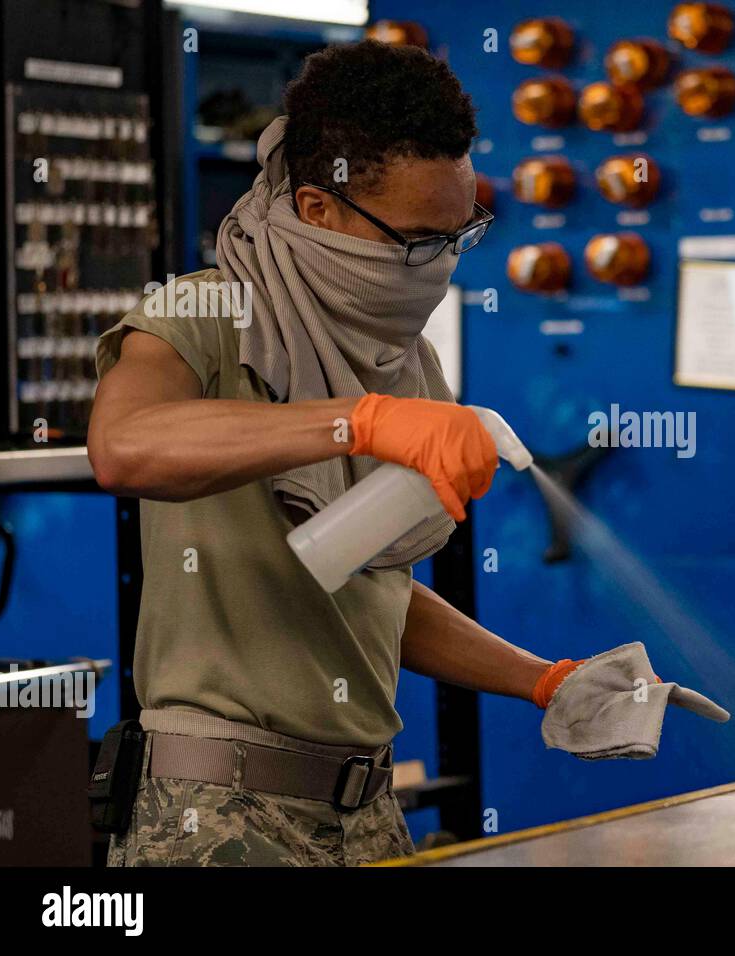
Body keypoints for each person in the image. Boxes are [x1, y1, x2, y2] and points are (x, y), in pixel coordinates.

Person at [88, 40, 594, 866]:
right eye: (419, 241)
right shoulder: (206, 314)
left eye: (459, 236)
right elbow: (123, 446)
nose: (439, 268)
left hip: (364, 811)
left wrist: (545, 680)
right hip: (216, 812)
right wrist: (358, 423)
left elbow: (365, 592)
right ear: (320, 210)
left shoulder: (395, 358)